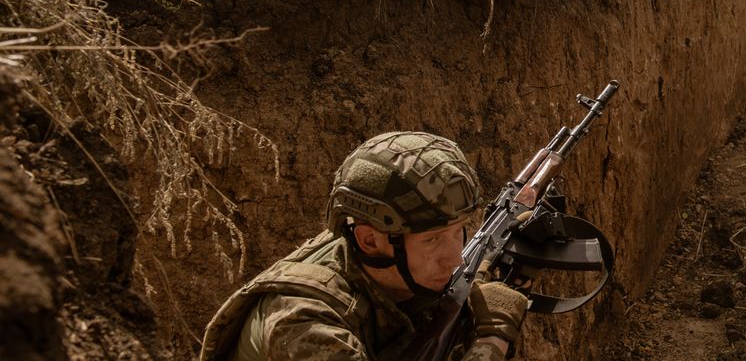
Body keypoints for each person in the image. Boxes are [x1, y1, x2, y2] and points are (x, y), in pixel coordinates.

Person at [199, 132, 529, 360]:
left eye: (459, 232)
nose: (455, 258)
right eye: (432, 240)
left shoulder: (378, 258)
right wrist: (491, 340)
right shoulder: (303, 325)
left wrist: (488, 272)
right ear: (370, 240)